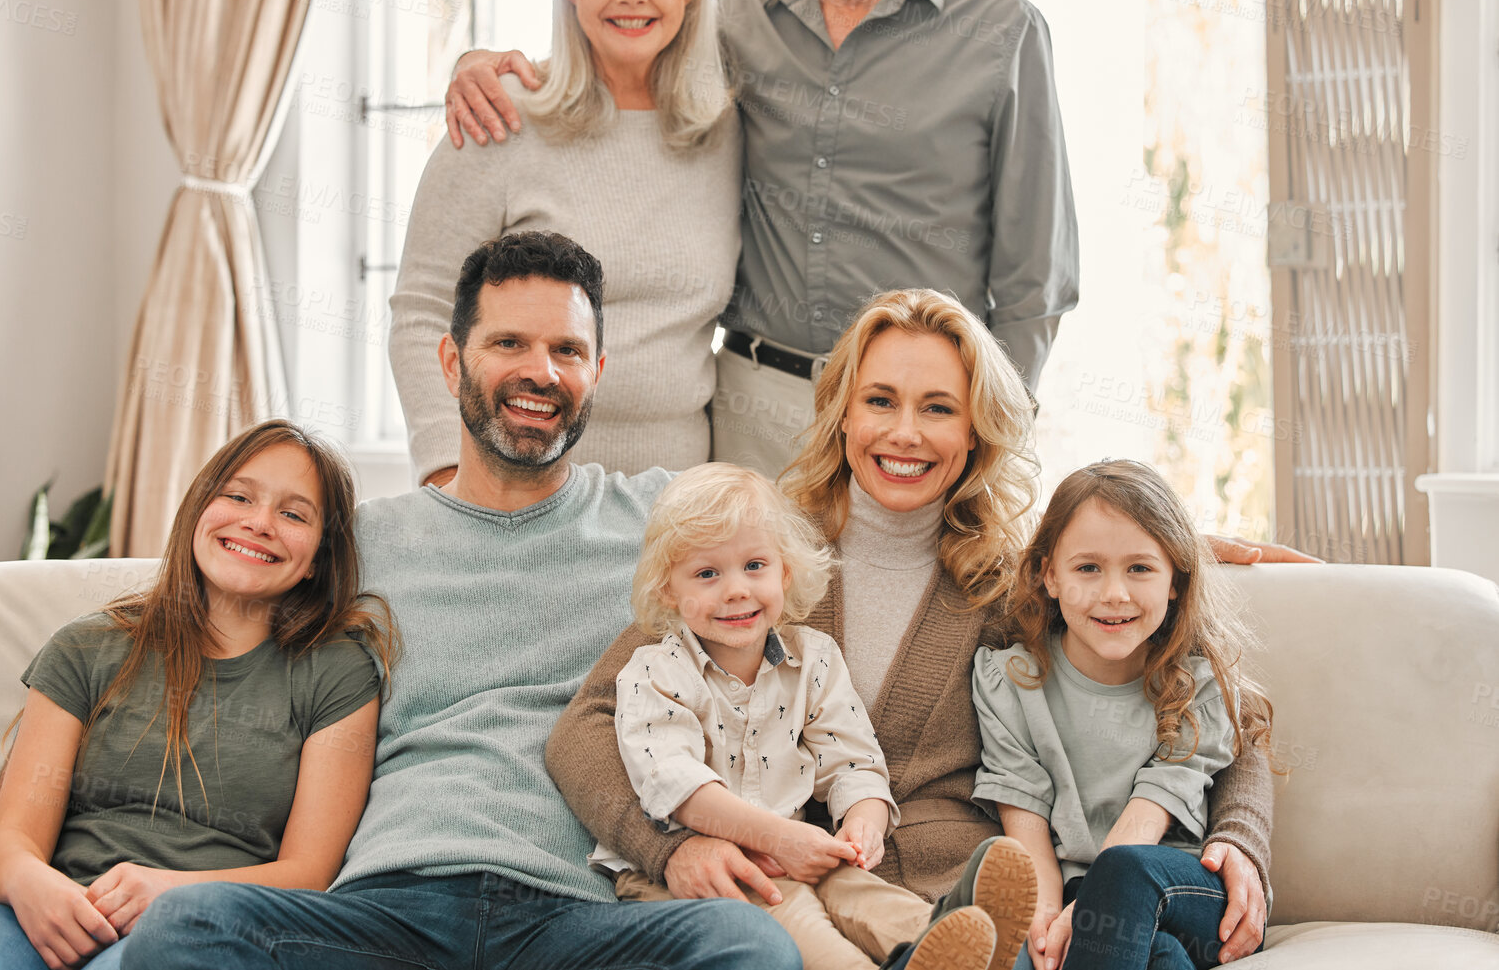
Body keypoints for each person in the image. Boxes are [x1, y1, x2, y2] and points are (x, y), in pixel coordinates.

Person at [92, 231, 802, 970]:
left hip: (578, 918)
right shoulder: (361, 541)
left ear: (597, 369)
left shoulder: (669, 523)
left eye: (566, 350)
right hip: (384, 912)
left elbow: (798, 574)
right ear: (452, 359)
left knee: (746, 945)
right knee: (189, 923)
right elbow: (219, 617)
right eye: (509, 343)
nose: (541, 371)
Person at [547, 289, 1281, 970]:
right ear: (842, 413)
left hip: (961, 896)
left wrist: (1238, 841)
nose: (905, 432)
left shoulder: (1009, 579)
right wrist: (671, 845)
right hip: (798, 889)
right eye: (880, 400)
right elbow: (587, 724)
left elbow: (1218, 704)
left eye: (937, 408)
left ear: (974, 430)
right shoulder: (756, 556)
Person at [445, 0, 1078, 479]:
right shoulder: (738, 25)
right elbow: (627, 39)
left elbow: (1037, 284)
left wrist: (993, 433)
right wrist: (486, 64)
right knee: (752, 595)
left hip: (920, 415)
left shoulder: (1002, 33)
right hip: (754, 412)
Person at [0, 420, 395, 970]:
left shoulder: (337, 673)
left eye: (293, 513)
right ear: (198, 509)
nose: (258, 523)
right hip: (43, 915)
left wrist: (168, 893)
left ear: (320, 557)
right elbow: (9, 840)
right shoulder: (86, 647)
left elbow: (308, 874)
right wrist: (29, 884)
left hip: (200, 930)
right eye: (238, 495)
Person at [389, 0, 741, 488]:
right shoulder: (501, 113)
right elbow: (422, 310)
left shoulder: (724, 129)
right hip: (517, 491)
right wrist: (448, 472)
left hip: (675, 501)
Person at [603, 462, 1001, 970]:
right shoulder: (656, 671)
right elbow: (676, 785)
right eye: (707, 573)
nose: (736, 590)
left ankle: (953, 944)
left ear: (784, 572)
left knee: (859, 889)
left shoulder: (813, 657)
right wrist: (779, 838)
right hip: (683, 865)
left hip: (790, 850)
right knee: (795, 915)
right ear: (667, 591)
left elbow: (853, 759)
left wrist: (863, 822)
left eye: (754, 566)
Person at [972, 460, 1277, 970]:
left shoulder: (1196, 685)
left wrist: (1086, 911)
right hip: (1083, 897)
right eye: (1088, 567)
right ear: (1049, 574)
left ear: (1175, 580)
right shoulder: (1010, 681)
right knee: (1152, 956)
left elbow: (1146, 815)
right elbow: (1024, 824)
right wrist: (1047, 922)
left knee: (1123, 872)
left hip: (1186, 886)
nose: (1114, 593)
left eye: (1140, 568)